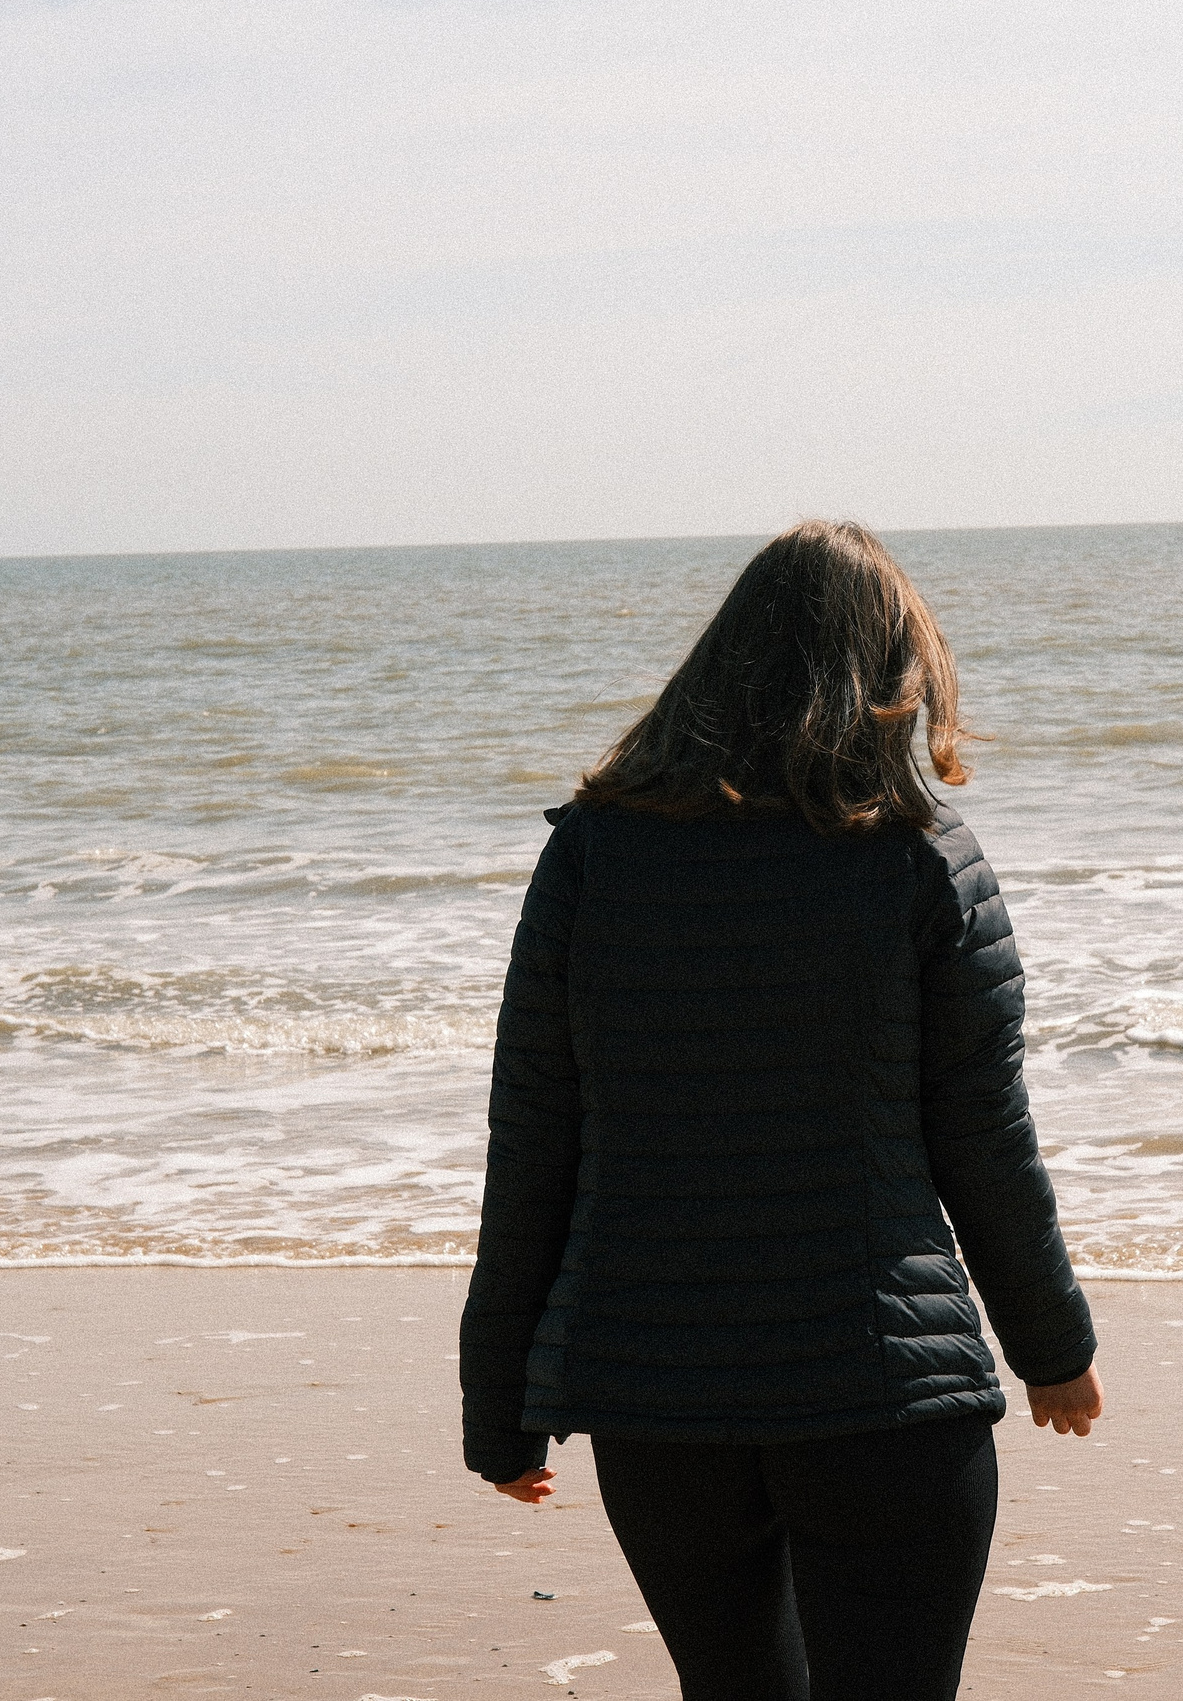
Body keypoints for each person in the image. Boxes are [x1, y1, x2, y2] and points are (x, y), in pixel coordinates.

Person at [458, 519, 1102, 1701]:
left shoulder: (595, 853)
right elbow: (981, 1131)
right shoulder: (920, 856)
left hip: (655, 1397)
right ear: (892, 675)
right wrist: (1053, 1351)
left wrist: (497, 1406)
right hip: (879, 1395)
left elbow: (533, 1134)